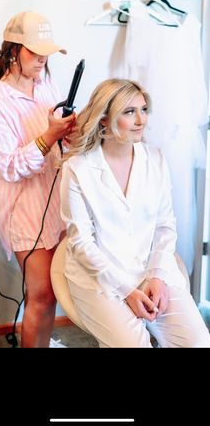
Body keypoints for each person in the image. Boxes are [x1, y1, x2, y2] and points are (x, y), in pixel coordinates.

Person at [60, 79, 210, 347]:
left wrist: (157, 277)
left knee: (199, 341)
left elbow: (165, 226)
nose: (141, 120)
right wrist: (126, 290)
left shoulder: (156, 160)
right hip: (100, 278)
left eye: (144, 109)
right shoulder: (78, 169)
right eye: (129, 112)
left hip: (149, 270)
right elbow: (81, 242)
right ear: (104, 120)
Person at [0, 11, 76, 348]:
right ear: (12, 50)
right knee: (42, 294)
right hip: (22, 209)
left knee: (55, 292)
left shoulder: (46, 84)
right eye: (35, 53)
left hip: (54, 201)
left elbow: (55, 143)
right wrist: (49, 136)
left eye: (46, 53)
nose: (42, 60)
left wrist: (68, 134)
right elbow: (6, 165)